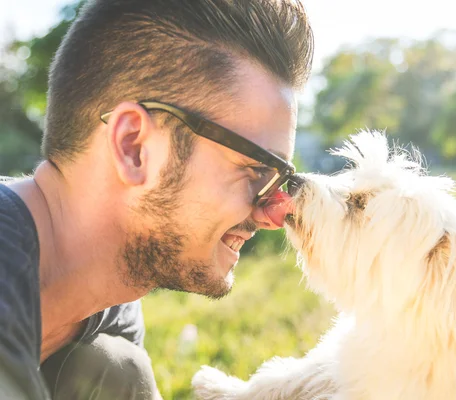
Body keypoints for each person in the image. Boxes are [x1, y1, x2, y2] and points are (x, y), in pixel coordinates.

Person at [0, 0, 313, 398]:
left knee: (114, 367)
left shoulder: (111, 312)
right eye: (256, 170)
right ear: (134, 147)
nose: (273, 215)